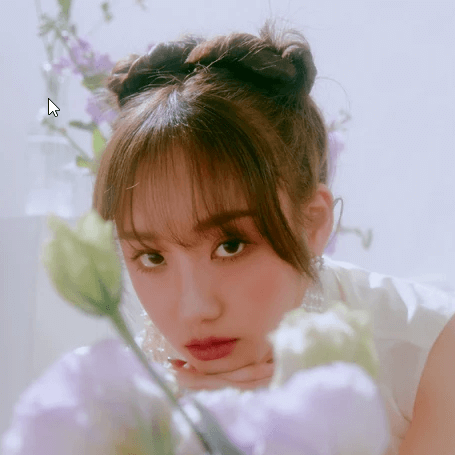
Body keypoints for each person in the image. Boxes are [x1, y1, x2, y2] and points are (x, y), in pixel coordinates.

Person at [92, 18, 455, 455]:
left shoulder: (428, 353)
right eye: (152, 257)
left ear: (312, 223)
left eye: (230, 246)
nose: (195, 309)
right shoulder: (113, 397)